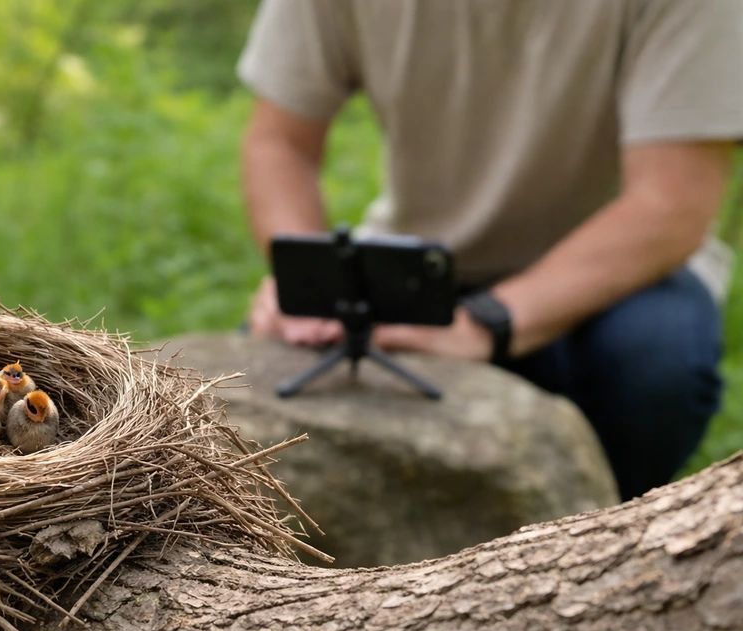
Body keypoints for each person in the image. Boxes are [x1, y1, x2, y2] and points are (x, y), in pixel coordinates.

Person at [236, 0, 743, 501]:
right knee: (277, 364)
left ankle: (605, 535)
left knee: (655, 369)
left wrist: (486, 323)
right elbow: (280, 142)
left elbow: (670, 205)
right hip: (425, 255)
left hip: (626, 274)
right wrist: (312, 282)